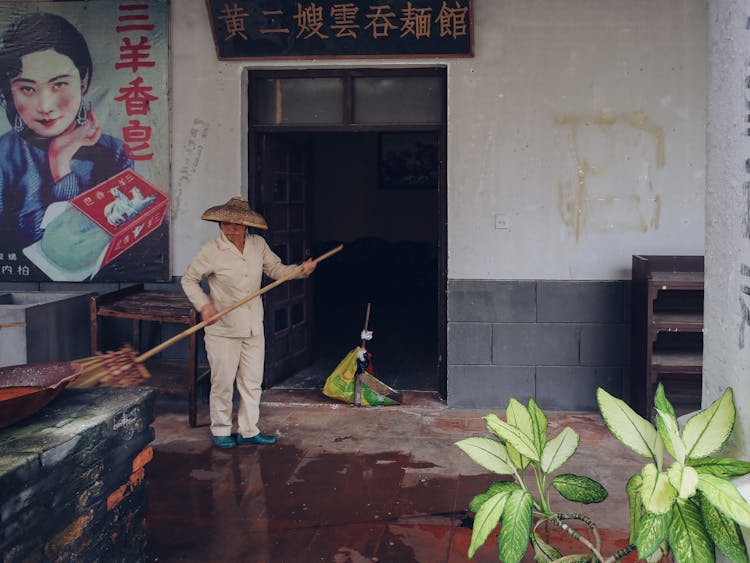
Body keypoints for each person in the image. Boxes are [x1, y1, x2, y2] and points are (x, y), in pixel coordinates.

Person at [181, 197, 317, 449]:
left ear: (246, 226)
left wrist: (300, 270)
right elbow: (188, 280)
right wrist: (205, 305)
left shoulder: (258, 245)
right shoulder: (211, 250)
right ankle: (221, 429)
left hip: (253, 325)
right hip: (222, 328)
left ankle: (248, 429)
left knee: (252, 381)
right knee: (222, 382)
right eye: (225, 224)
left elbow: (276, 270)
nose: (231, 229)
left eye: (236, 224)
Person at [0, 11, 132, 252]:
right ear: (10, 91)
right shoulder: (3, 158)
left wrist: (61, 163)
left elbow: (97, 247)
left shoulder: (115, 153)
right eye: (27, 89)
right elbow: (26, 247)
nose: (45, 106)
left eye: (59, 84)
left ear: (82, 81)